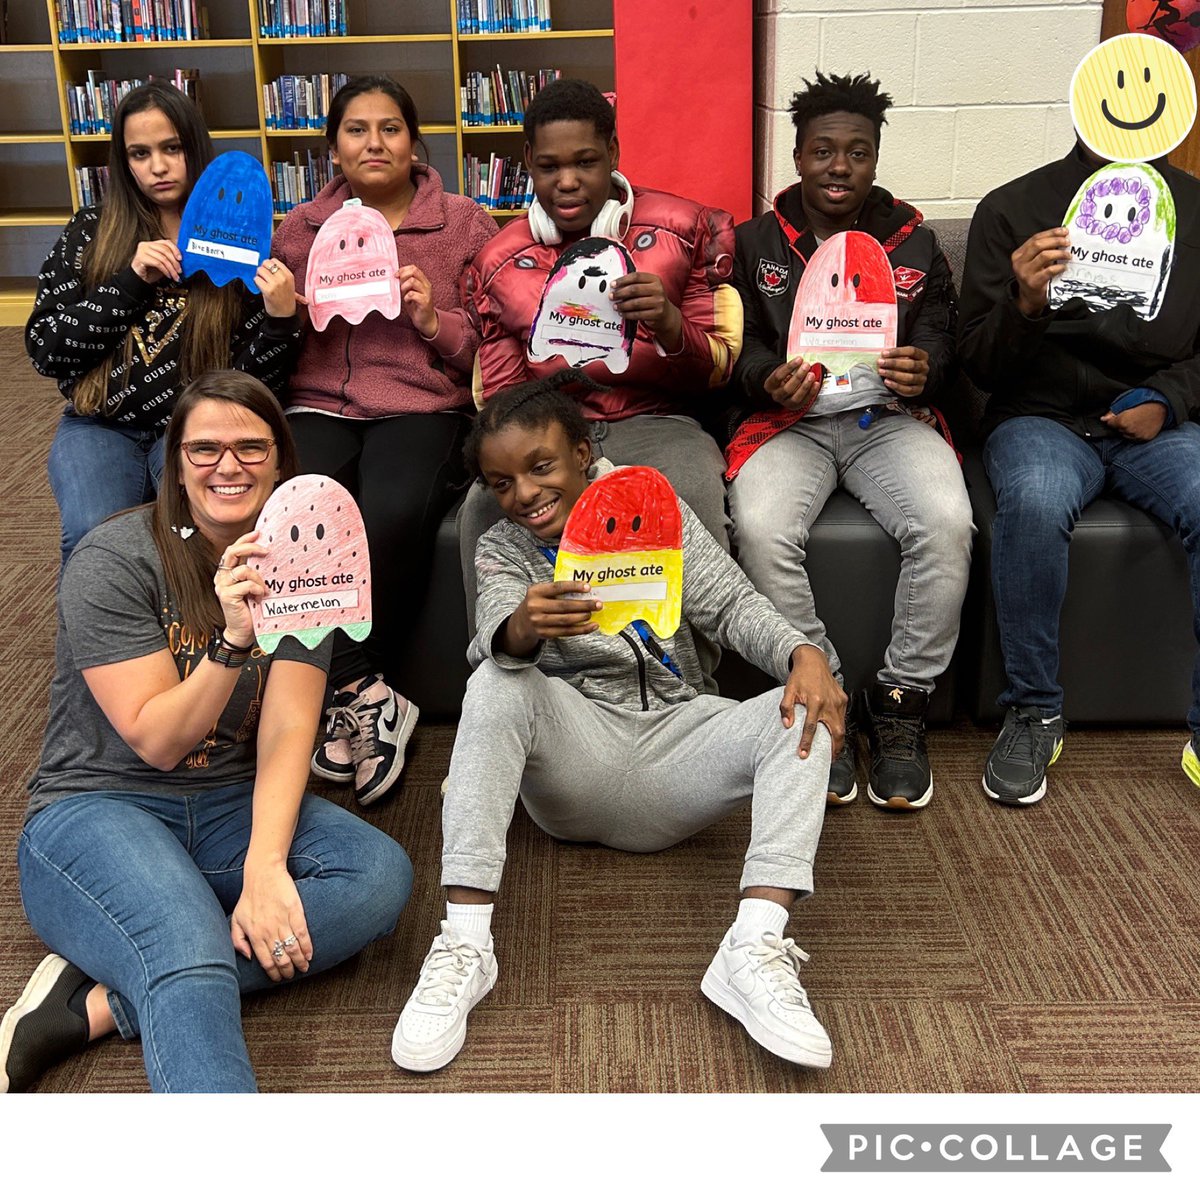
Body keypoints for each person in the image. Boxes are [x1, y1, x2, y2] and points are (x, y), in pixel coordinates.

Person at [389, 371, 846, 1075]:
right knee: (495, 681)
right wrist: (521, 626)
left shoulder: (653, 510)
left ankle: (753, 946)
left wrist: (802, 652)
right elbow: (490, 639)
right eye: (502, 483)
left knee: (802, 712)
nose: (525, 495)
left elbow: (729, 605)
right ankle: (464, 944)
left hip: (678, 739)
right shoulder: (504, 548)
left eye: (541, 467)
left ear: (581, 450)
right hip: (574, 764)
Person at [0, 371, 412, 1093]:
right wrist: (233, 641)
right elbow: (156, 740)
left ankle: (96, 1003)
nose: (229, 467)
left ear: (283, 461)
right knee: (185, 948)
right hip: (98, 807)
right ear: (176, 464)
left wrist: (264, 866)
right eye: (205, 450)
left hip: (225, 805)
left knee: (377, 880)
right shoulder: (115, 558)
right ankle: (171, 949)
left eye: (252, 448)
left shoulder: (307, 557)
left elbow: (289, 726)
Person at [724, 72, 972, 811]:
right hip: (788, 424)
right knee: (763, 528)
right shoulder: (752, 243)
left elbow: (943, 341)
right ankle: (821, 690)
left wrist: (923, 369)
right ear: (797, 157)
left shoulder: (917, 245)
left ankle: (900, 703)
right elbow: (729, 350)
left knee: (947, 522)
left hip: (886, 421)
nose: (840, 167)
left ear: (874, 158)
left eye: (857, 153)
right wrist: (767, 377)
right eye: (824, 151)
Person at [459, 78, 743, 685]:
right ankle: (508, 684)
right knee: (482, 513)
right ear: (527, 168)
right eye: (549, 166)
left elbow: (716, 370)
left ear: (613, 154)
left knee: (687, 500)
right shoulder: (500, 262)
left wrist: (668, 325)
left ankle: (690, 689)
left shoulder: (682, 229)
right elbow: (506, 399)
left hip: (656, 421)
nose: (568, 181)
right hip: (551, 430)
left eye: (586, 161)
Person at [273, 76, 498, 807]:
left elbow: (492, 349)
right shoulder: (299, 229)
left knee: (390, 510)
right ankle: (365, 694)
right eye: (357, 129)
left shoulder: (463, 223)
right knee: (297, 511)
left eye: (391, 128)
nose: (374, 143)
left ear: (414, 141)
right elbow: (264, 351)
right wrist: (283, 315)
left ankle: (341, 690)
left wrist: (436, 320)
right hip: (319, 404)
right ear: (332, 144)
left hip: (419, 404)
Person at [958, 143, 1200, 804]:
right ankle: (1034, 711)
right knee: (1034, 503)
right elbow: (975, 363)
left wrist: (1169, 400)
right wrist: (1024, 302)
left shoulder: (1195, 210)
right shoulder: (1013, 208)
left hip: (1154, 422)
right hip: (1041, 418)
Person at [25, 81, 302, 568]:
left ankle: (206, 640)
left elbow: (251, 387)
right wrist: (129, 281)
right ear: (122, 161)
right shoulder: (91, 230)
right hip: (99, 424)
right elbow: (48, 351)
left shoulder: (239, 236)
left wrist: (280, 325)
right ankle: (102, 643)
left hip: (192, 428)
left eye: (172, 148)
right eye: (139, 152)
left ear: (194, 148)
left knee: (198, 535)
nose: (157, 167)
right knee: (94, 536)